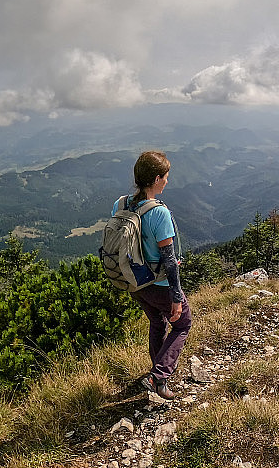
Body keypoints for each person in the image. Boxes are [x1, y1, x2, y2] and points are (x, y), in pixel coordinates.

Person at [113, 150, 191, 400]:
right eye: (166, 177)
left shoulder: (121, 203)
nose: (168, 181)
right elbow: (169, 259)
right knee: (183, 324)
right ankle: (158, 376)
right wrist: (176, 296)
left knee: (157, 321)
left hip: (133, 281)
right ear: (156, 179)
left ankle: (157, 374)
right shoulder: (159, 213)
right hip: (159, 284)